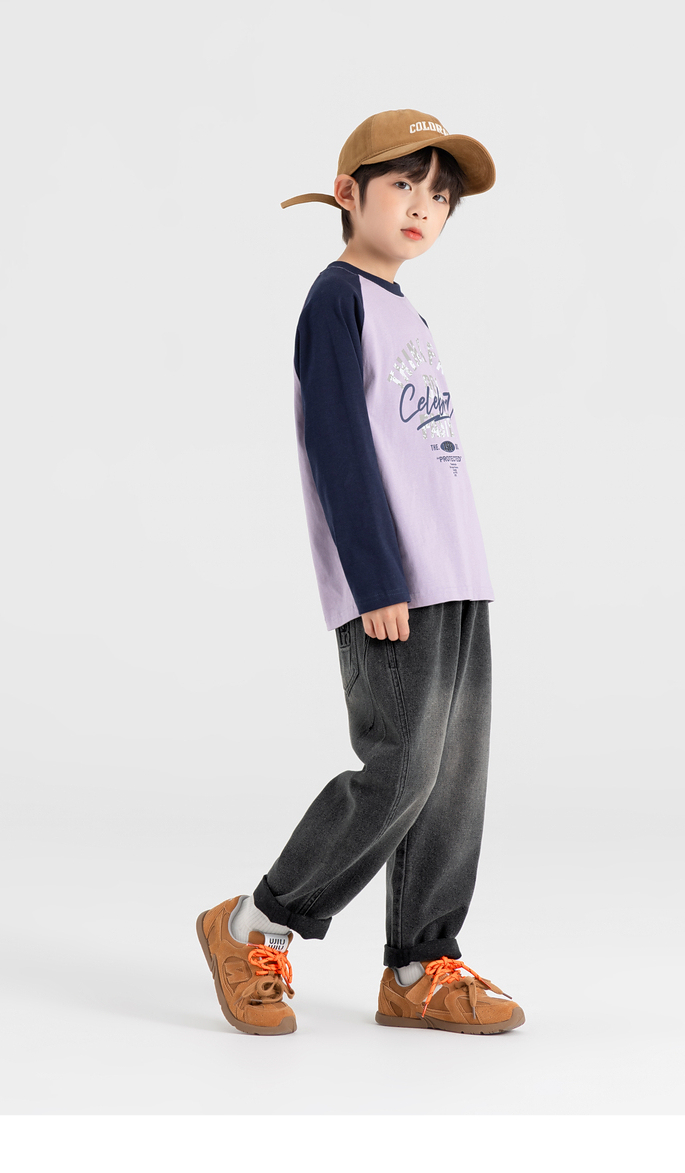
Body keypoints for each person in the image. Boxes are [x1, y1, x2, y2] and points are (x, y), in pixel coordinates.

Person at [196, 108, 525, 1036]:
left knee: (452, 780)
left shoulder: (405, 309)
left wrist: (459, 572)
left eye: (441, 196)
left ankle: (421, 964)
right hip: (394, 587)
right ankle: (252, 923)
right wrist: (377, 578)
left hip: (455, 578)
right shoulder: (335, 300)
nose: (424, 206)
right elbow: (339, 446)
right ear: (350, 194)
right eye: (404, 185)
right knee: (400, 769)